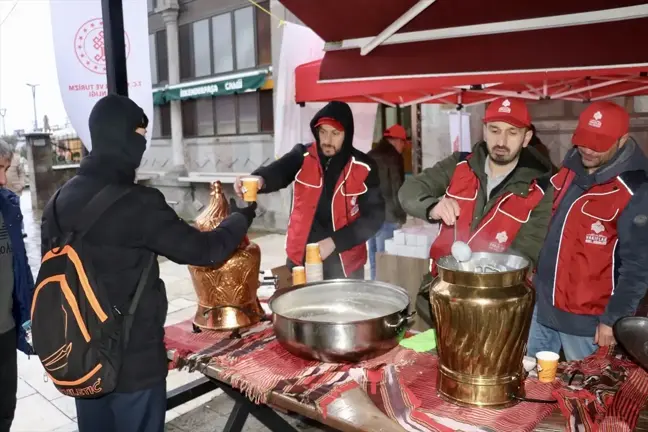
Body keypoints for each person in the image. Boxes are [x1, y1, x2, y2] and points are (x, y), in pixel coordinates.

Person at [40, 95, 257, 432]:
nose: (144, 142)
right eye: (140, 132)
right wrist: (241, 216)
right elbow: (205, 251)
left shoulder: (57, 201)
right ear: (124, 136)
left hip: (82, 358)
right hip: (134, 365)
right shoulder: (138, 203)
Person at [527, 101, 648, 361]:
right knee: (535, 386)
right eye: (584, 139)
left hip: (588, 325)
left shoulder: (636, 191)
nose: (589, 149)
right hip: (544, 310)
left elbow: (638, 267)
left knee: (587, 394)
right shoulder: (569, 171)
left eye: (599, 143)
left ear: (622, 140)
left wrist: (613, 320)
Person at [398, 98, 553, 273]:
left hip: (494, 292)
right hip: (440, 283)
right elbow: (409, 190)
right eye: (495, 130)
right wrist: (432, 207)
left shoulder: (539, 190)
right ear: (485, 132)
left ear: (526, 138)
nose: (501, 141)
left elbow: (527, 253)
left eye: (512, 132)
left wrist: (487, 275)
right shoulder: (459, 164)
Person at [235, 101, 385, 279]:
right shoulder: (303, 155)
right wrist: (260, 179)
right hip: (301, 259)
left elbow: (374, 218)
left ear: (347, 133)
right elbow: (280, 170)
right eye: (323, 132)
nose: (327, 140)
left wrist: (334, 242)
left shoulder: (364, 167)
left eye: (335, 133)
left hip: (345, 264)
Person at [0, 138, 34, 432]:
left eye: (6, 169)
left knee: (5, 410)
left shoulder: (9, 208)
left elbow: (20, 268)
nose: (2, 178)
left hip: (6, 330)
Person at [367, 124, 407, 279]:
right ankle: (385, 298)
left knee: (374, 260)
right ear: (397, 141)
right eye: (403, 143)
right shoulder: (394, 158)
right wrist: (401, 216)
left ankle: (373, 292)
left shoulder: (369, 155)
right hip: (388, 217)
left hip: (370, 217)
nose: (403, 147)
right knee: (386, 261)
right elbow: (398, 189)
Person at [5, 150, 26, 237]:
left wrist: (21, 184)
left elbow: (21, 172)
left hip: (15, 190)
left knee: (17, 211)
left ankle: (21, 230)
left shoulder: (16, 159)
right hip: (3, 190)